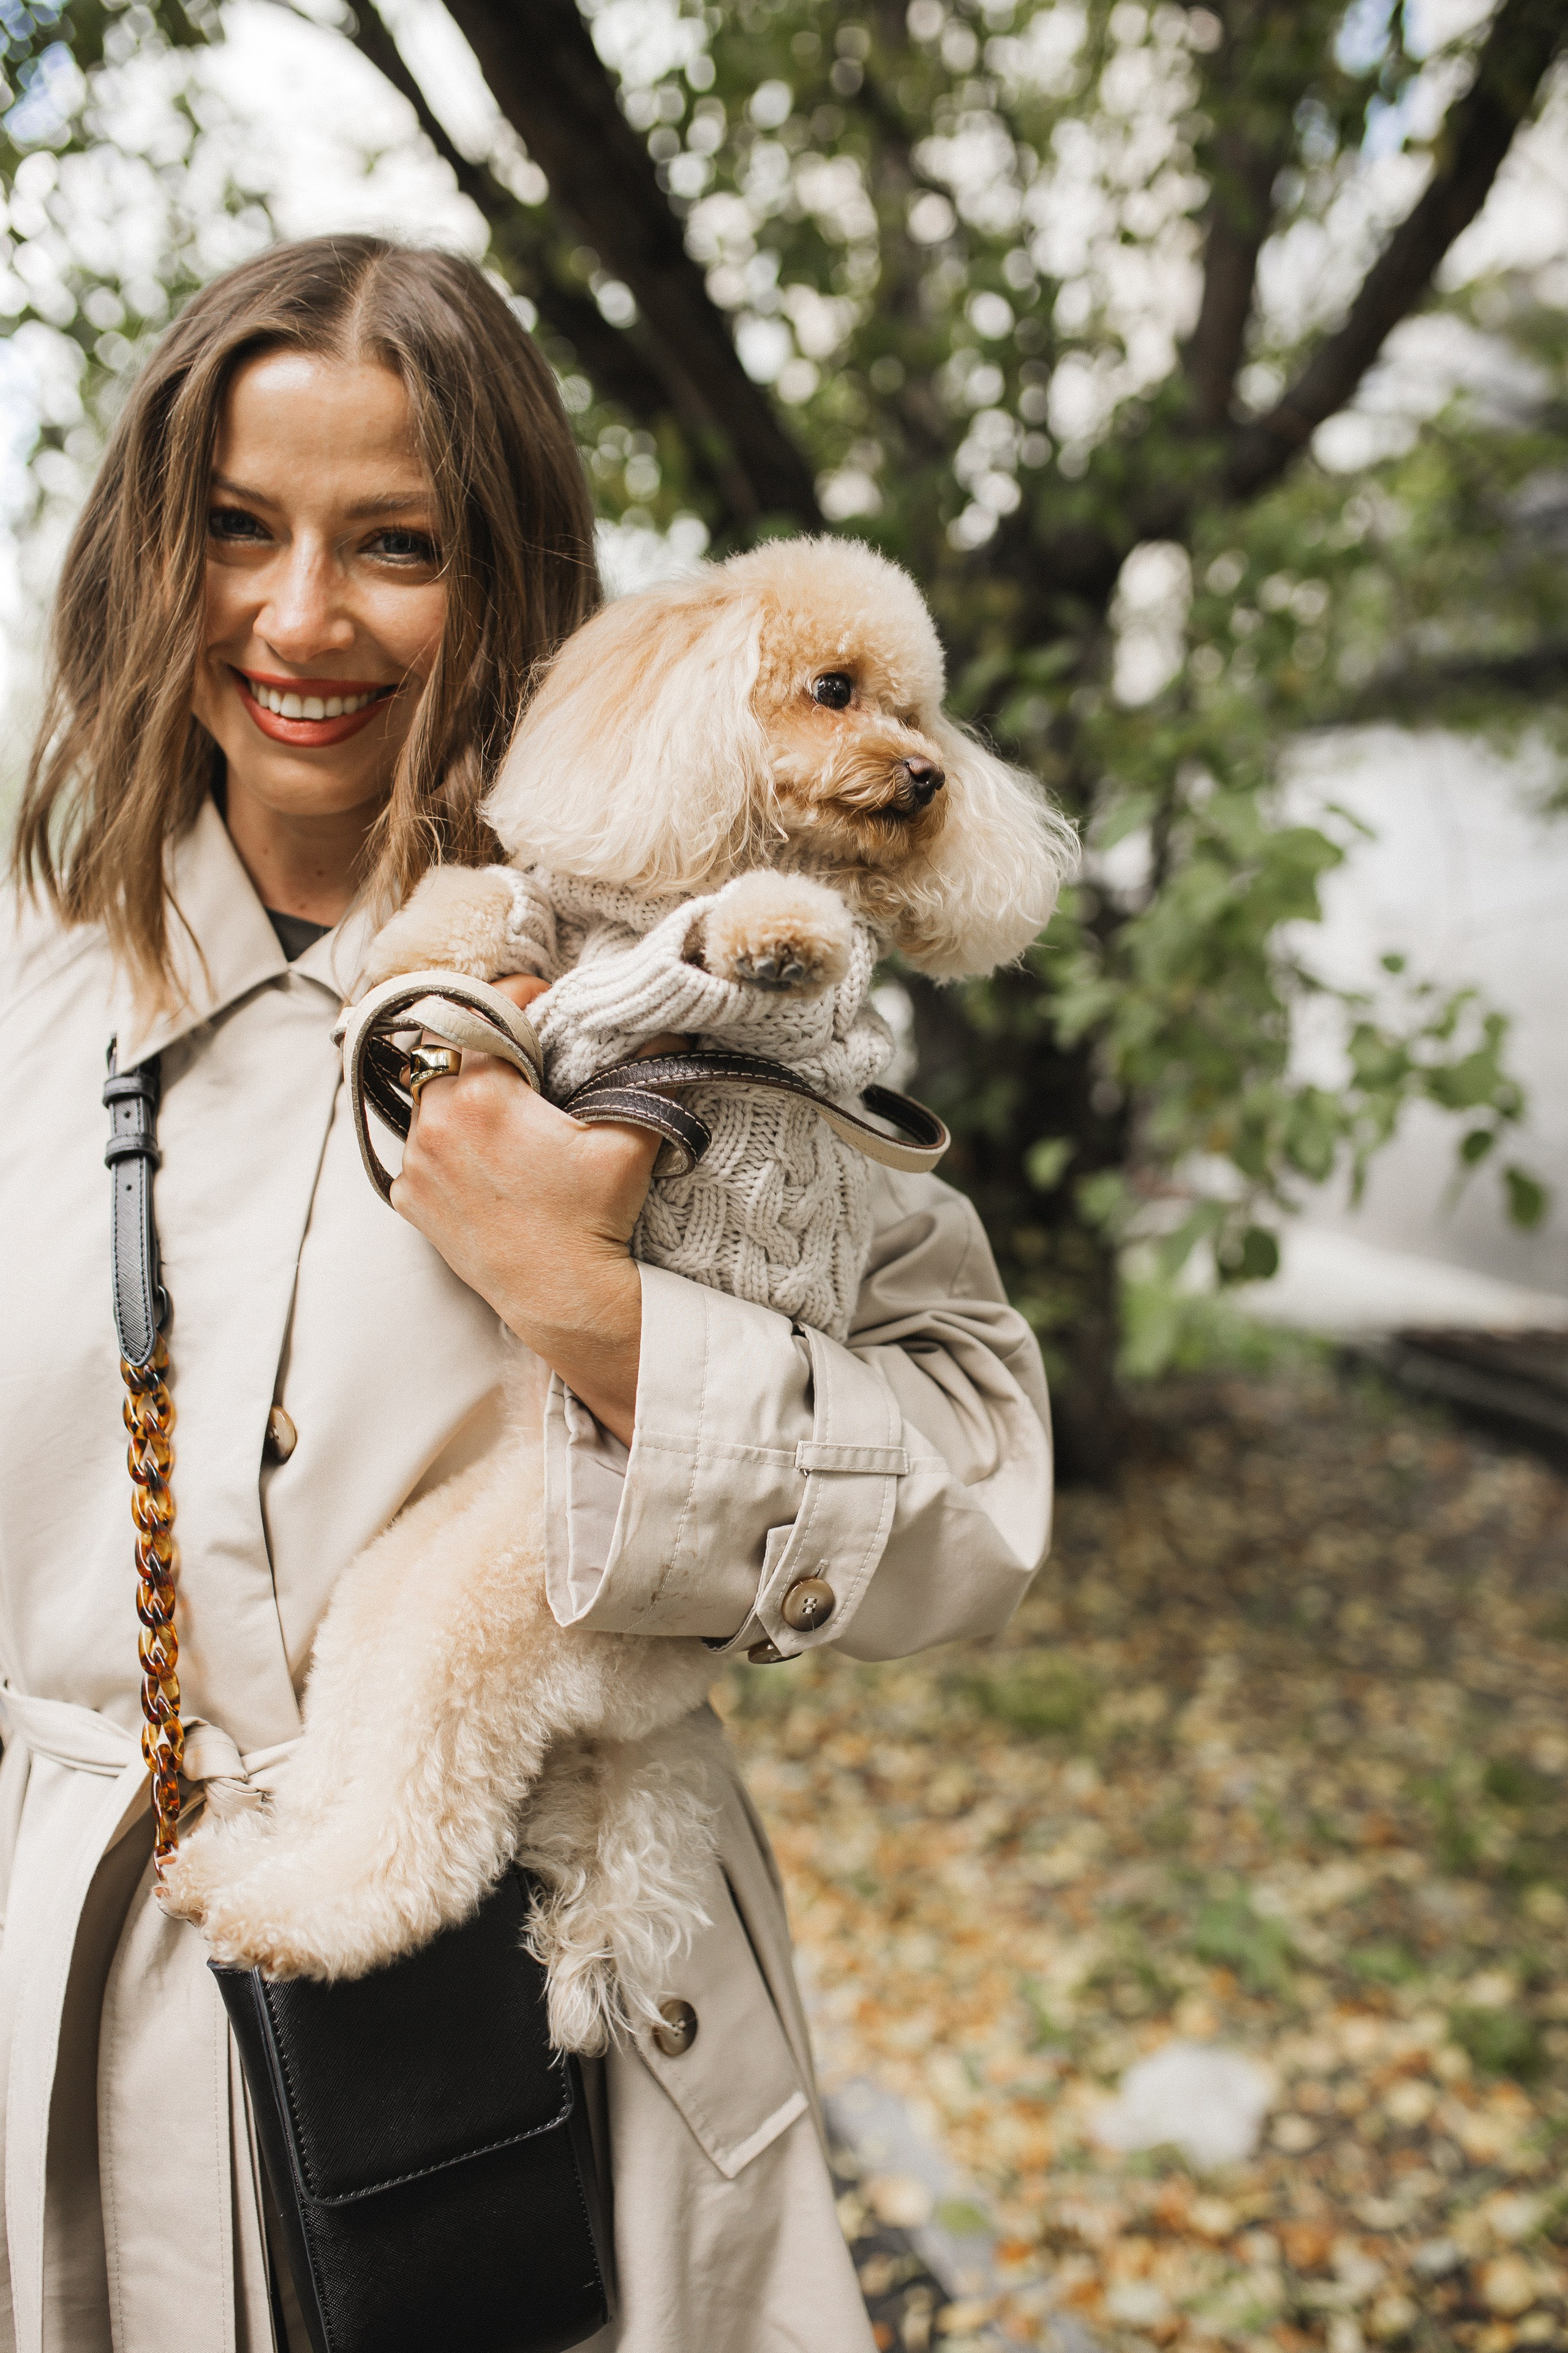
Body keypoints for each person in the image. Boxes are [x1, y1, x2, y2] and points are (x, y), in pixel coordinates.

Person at [0, 233, 1054, 2353]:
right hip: (75, 2024)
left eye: (392, 544)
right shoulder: (34, 980)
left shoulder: (694, 989)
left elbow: (982, 1482)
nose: (301, 618)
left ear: (502, 574)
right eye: (236, 528)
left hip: (553, 2037)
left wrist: (593, 1305)